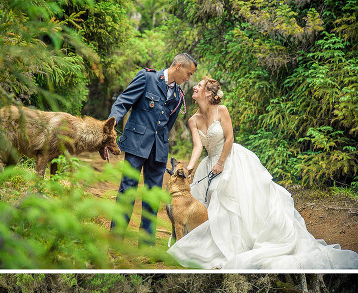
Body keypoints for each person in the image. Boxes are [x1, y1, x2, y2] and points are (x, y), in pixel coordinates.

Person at [168, 77, 358, 269]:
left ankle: (240, 247)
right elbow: (198, 146)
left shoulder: (222, 110)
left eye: (199, 86)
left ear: (208, 93)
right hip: (210, 164)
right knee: (215, 205)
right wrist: (191, 166)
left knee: (232, 202)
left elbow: (229, 138)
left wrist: (221, 162)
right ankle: (226, 247)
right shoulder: (193, 120)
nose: (194, 87)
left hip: (230, 159)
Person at [109, 53, 197, 245]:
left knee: (153, 195)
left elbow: (168, 123)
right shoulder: (147, 77)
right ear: (179, 66)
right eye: (189, 73)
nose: (189, 78)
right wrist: (111, 123)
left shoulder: (178, 95)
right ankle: (116, 238)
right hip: (136, 143)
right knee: (128, 189)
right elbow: (124, 101)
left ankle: (146, 243)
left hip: (158, 149)